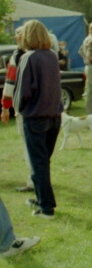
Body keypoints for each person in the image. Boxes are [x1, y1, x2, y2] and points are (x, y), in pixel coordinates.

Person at [13, 20, 63, 220]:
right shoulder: (52, 56)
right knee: (43, 161)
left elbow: (22, 92)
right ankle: (41, 198)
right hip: (54, 116)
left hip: (35, 117)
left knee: (38, 163)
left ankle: (46, 207)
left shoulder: (28, 58)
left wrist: (18, 108)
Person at [1, 27, 35, 193]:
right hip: (42, 107)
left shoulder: (17, 56)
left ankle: (33, 180)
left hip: (24, 107)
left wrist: (5, 107)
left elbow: (10, 83)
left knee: (28, 144)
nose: (16, 37)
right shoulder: (44, 54)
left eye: (18, 34)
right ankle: (41, 178)